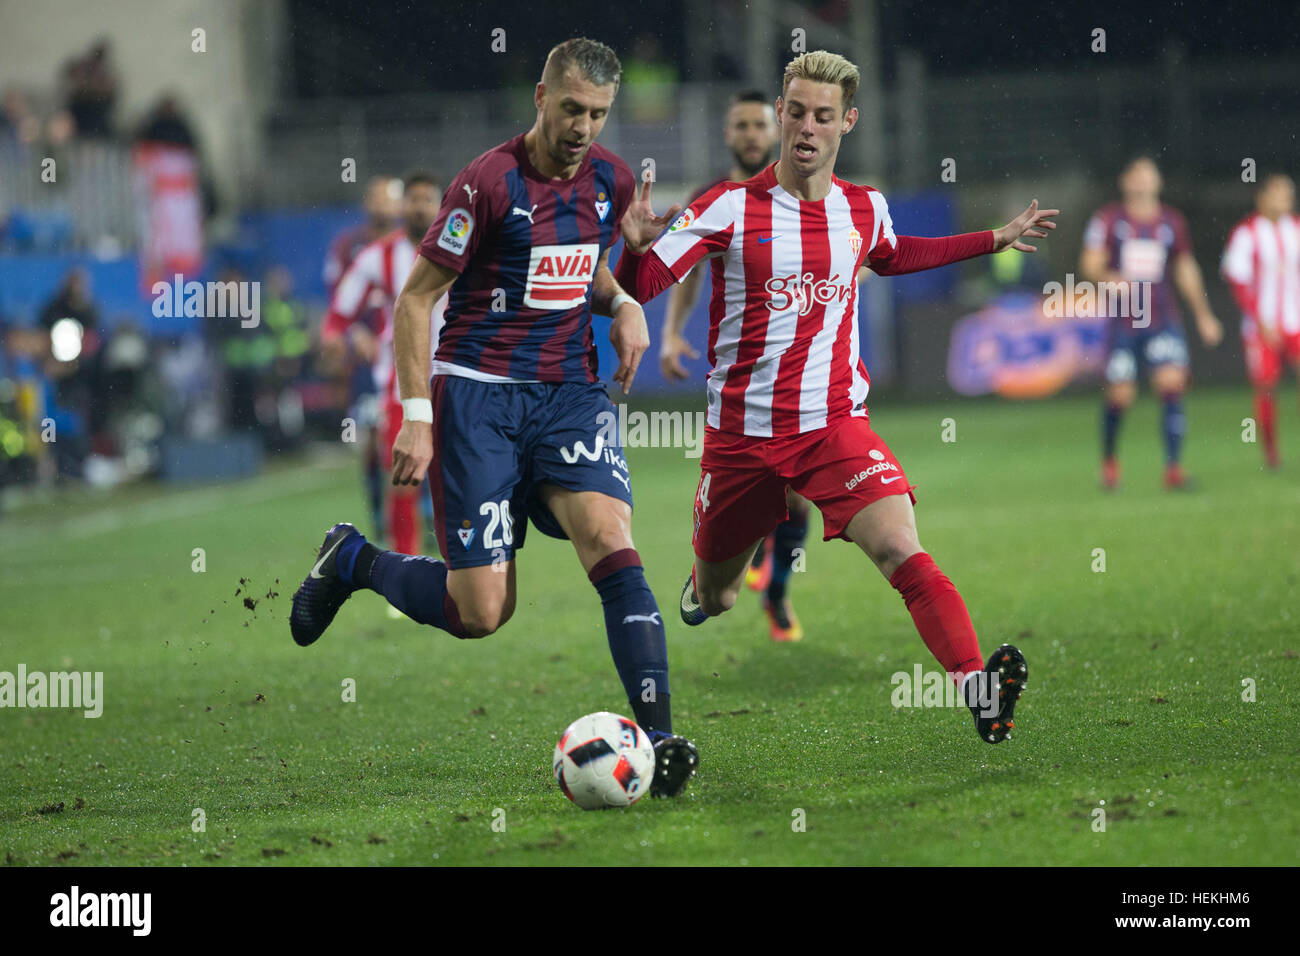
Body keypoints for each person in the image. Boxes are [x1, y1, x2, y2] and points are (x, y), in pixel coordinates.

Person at [290, 38, 698, 795]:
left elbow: (588, 269)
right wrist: (417, 414)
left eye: (599, 114)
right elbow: (416, 299)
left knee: (612, 540)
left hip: (570, 395)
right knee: (481, 612)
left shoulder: (609, 179)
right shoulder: (485, 184)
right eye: (571, 108)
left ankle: (663, 737)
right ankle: (353, 560)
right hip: (478, 395)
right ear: (541, 98)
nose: (583, 127)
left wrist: (627, 299)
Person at [615, 50, 1052, 744]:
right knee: (722, 594)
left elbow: (899, 253)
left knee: (901, 550)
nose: (807, 128)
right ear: (781, 116)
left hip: (833, 427)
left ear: (846, 122)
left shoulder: (862, 207)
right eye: (796, 113)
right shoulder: (728, 206)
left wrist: (993, 238)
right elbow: (640, 288)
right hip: (742, 440)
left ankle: (979, 688)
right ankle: (704, 588)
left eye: (823, 115)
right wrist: (634, 250)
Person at [660, 89, 813, 642]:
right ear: (728, 134)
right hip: (743, 375)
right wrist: (671, 334)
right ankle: (735, 556)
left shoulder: (809, 193)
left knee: (799, 492)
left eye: (757, 124)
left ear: (773, 130)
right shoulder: (715, 198)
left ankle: (775, 595)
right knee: (751, 485)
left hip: (804, 366)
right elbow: (688, 271)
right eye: (740, 125)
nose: (750, 133)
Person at [320, 171, 444, 562]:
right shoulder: (378, 255)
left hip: (454, 373)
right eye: (413, 198)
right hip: (399, 379)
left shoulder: (460, 248)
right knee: (402, 472)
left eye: (428, 199)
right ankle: (405, 560)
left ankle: (463, 560)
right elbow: (340, 311)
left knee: (459, 471)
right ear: (400, 205)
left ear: (441, 205)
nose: (420, 206)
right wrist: (334, 336)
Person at [1080, 157, 1223, 490]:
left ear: (1158, 181)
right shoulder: (1108, 219)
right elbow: (1089, 263)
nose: (1143, 182)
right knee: (1121, 395)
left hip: (1162, 319)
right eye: (1137, 176)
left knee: (1171, 383)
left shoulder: (1171, 222)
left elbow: (1185, 269)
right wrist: (1106, 276)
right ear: (1125, 182)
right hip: (1123, 323)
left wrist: (1204, 315)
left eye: (1149, 176)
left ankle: (1174, 469)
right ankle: (1110, 462)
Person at [322, 175, 400, 537]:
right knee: (371, 438)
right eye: (376, 198)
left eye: (388, 199)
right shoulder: (348, 247)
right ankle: (378, 512)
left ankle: (428, 512)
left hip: (406, 355)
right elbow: (338, 301)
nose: (382, 205)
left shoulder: (414, 245)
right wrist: (354, 333)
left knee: (421, 430)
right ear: (367, 203)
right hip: (366, 361)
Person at [1220, 173, 1300, 469]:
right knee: (1266, 385)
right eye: (1279, 193)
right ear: (1262, 197)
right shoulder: (1247, 233)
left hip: (1296, 321)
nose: (1285, 199)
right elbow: (1238, 280)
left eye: (1289, 193)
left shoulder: (1296, 229)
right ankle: (1271, 451)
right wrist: (1259, 317)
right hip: (1260, 325)